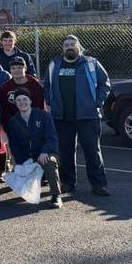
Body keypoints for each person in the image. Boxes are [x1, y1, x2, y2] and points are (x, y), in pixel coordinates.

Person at [43, 35, 111, 196]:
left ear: (79, 47)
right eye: (66, 44)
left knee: (92, 151)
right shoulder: (55, 63)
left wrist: (97, 102)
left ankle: (99, 184)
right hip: (62, 117)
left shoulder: (90, 63)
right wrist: (49, 100)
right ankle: (67, 183)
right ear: (63, 48)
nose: (69, 47)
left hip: (88, 116)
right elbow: (46, 85)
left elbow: (105, 83)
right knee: (65, 152)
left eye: (72, 44)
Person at [6, 88, 63, 208]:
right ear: (15, 103)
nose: (22, 102)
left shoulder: (43, 116)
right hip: (27, 158)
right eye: (19, 100)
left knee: (49, 162)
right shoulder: (13, 122)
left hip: (45, 154)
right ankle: (38, 179)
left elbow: (52, 138)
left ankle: (56, 195)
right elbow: (14, 146)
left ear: (30, 101)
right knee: (23, 184)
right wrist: (23, 162)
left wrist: (45, 151)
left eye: (25, 99)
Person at [0, 57, 45, 129]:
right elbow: (5, 111)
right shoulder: (5, 88)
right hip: (14, 125)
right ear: (10, 70)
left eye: (19, 68)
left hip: (33, 124)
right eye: (13, 68)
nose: (16, 70)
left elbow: (39, 108)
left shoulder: (35, 84)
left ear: (25, 68)